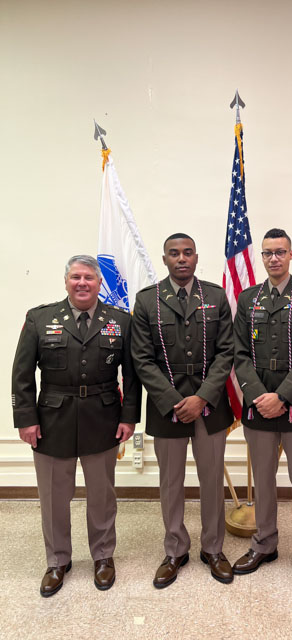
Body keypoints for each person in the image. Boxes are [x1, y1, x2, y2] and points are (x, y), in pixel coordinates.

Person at [12, 255, 141, 597]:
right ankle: (57, 560)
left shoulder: (120, 321)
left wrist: (129, 416)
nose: (82, 283)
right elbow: (22, 375)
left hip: (103, 418)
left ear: (100, 283)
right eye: (75, 277)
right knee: (54, 497)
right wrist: (26, 420)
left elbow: (132, 374)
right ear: (66, 281)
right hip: (52, 420)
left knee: (102, 496)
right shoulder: (40, 319)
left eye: (88, 277)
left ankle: (102, 557)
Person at [131, 233, 234, 588]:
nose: (181, 259)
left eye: (187, 252)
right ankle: (175, 549)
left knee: (211, 482)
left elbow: (226, 353)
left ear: (195, 257)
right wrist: (176, 401)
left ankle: (213, 549)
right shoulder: (146, 301)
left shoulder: (215, 296)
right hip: (167, 408)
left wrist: (202, 397)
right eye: (174, 253)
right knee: (171, 484)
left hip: (210, 407)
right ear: (164, 259)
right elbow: (142, 360)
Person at [232, 228, 292, 592]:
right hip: (258, 406)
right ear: (262, 256)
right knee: (263, 480)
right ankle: (264, 545)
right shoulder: (247, 299)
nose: (274, 258)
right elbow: (239, 354)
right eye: (268, 253)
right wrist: (259, 395)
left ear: (291, 255)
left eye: (280, 252)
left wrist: (282, 397)